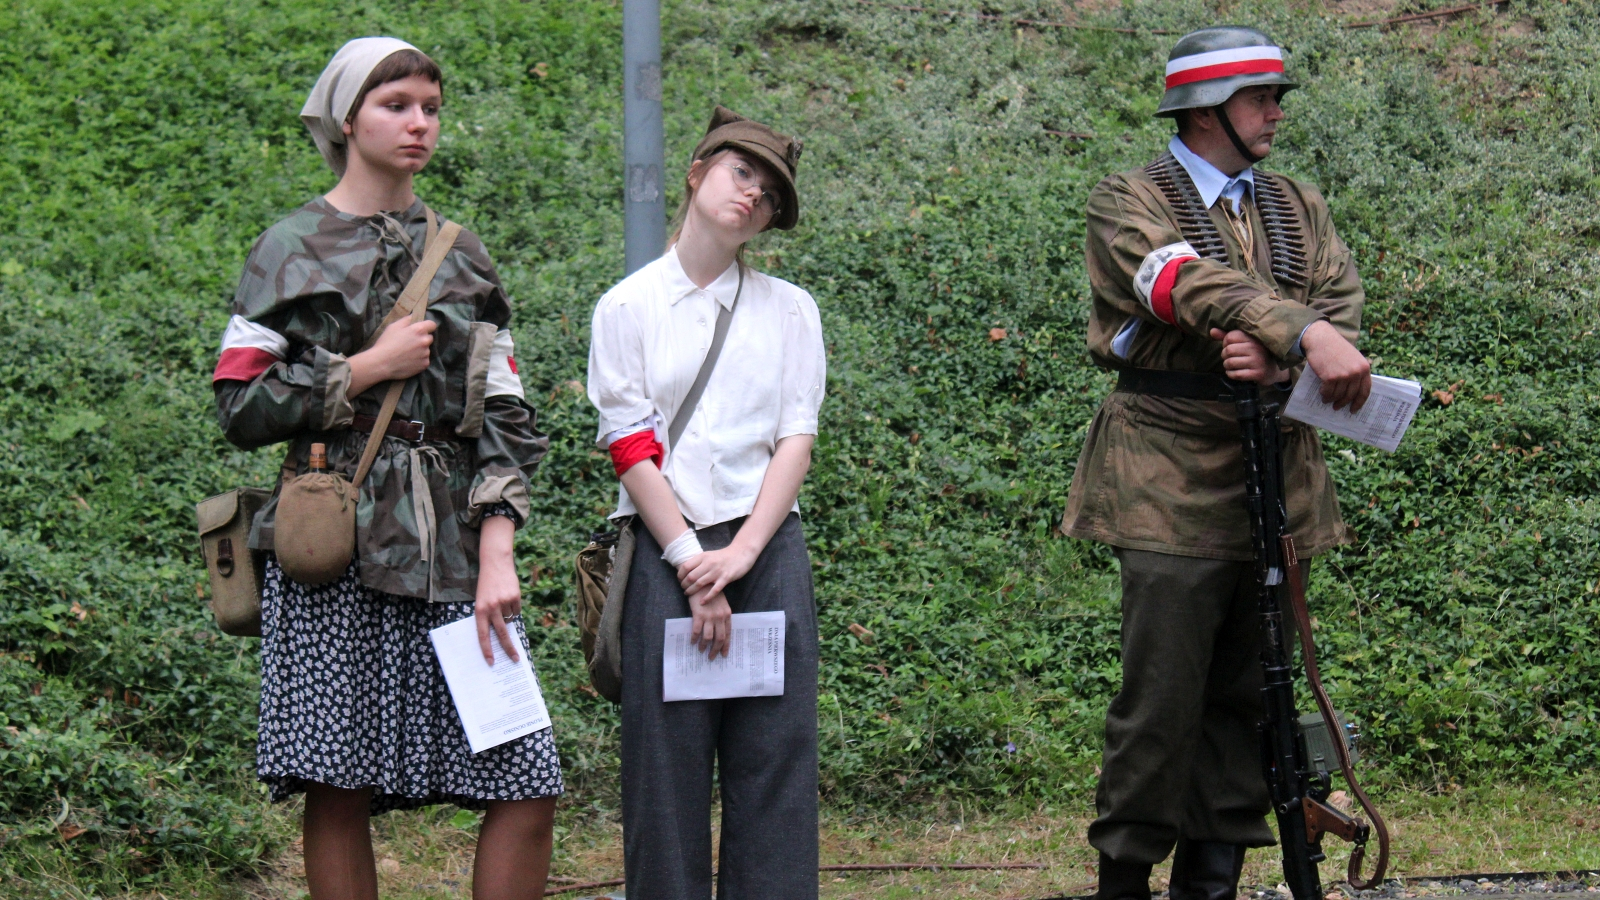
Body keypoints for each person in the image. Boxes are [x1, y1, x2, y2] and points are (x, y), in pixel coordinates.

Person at [212, 37, 560, 900]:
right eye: (396, 105)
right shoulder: (289, 247)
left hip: (455, 548)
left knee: (526, 776)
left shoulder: (464, 255)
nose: (419, 124)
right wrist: (363, 370)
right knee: (338, 784)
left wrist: (499, 549)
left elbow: (508, 414)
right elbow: (238, 404)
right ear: (345, 118)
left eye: (430, 109)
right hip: (336, 543)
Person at [1059, 26, 1373, 900]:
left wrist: (1285, 356)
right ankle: (1124, 879)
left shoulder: (1296, 204)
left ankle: (1212, 884)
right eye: (1259, 98)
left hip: (1277, 472)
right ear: (1205, 111)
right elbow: (1176, 282)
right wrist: (1297, 330)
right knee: (1160, 702)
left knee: (1250, 695)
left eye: (1275, 97)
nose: (1276, 112)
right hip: (1165, 477)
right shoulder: (1128, 199)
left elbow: (1340, 309)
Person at [586, 106, 824, 900]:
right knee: (665, 773)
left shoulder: (791, 309)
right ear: (696, 174)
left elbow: (795, 438)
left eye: (769, 192)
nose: (752, 194)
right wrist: (693, 561)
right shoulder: (627, 308)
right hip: (666, 551)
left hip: (768, 549)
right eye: (740, 173)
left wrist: (744, 552)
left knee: (776, 765)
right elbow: (629, 445)